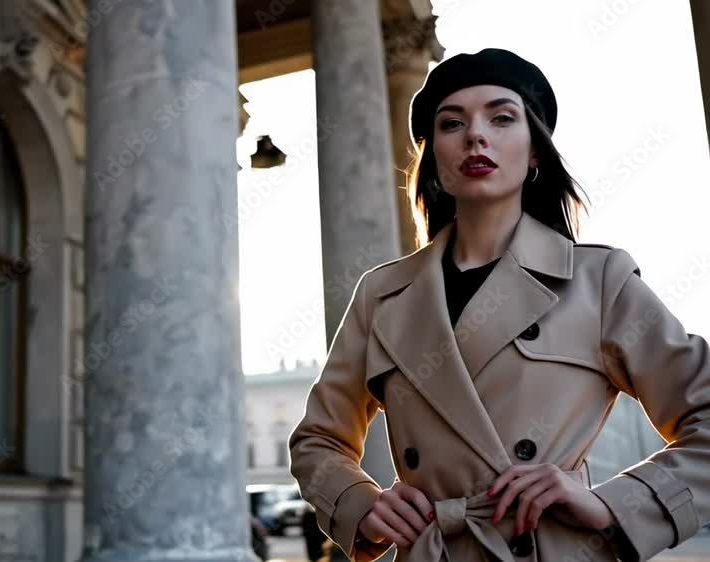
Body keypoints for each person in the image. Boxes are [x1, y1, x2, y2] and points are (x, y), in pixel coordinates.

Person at [288, 48, 710, 562]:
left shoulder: (599, 280)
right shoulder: (382, 294)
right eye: (451, 123)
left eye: (502, 117)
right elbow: (318, 440)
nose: (475, 136)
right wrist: (361, 504)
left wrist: (613, 505)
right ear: (433, 158)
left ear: (535, 151)